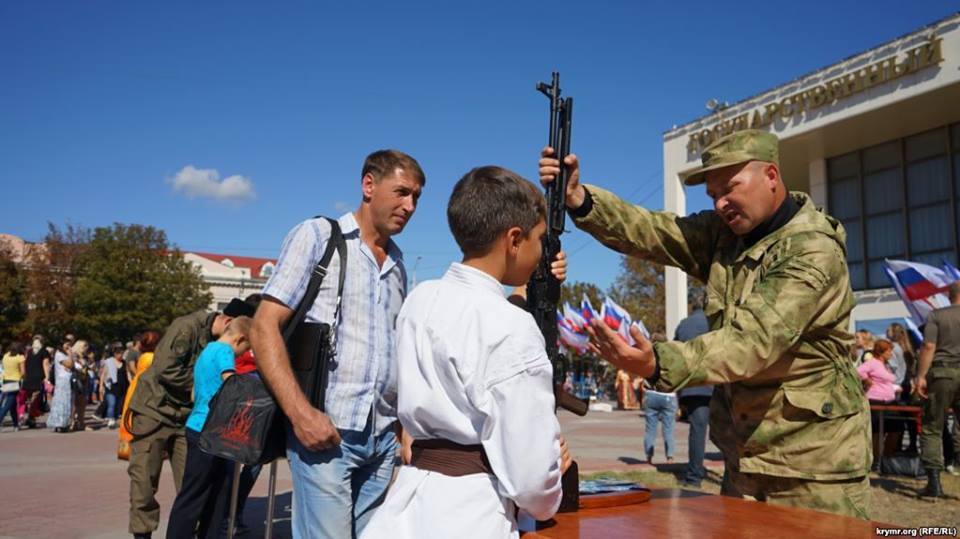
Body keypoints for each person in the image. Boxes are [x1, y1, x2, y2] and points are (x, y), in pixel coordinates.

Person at [540, 129, 871, 518]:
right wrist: (580, 200)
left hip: (814, 470)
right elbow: (654, 231)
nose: (720, 203)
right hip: (745, 458)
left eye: (729, 187)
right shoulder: (725, 236)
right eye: (713, 194)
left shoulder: (812, 249)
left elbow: (750, 342)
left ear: (771, 176)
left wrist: (656, 364)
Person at [361, 165, 570, 539]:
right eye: (540, 239)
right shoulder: (511, 326)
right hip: (473, 512)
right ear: (514, 239)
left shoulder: (420, 299)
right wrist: (550, 483)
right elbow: (531, 479)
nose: (542, 252)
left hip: (408, 502)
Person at [252, 149, 425, 538]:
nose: (409, 206)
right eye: (401, 192)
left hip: (382, 440)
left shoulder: (398, 265)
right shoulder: (319, 237)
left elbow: (394, 351)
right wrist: (301, 416)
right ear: (368, 185)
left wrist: (404, 426)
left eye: (416, 197)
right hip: (327, 433)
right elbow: (263, 327)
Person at [126, 298, 255, 539]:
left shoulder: (216, 344)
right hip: (154, 410)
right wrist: (205, 384)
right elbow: (166, 369)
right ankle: (142, 534)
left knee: (192, 484)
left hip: (187, 417)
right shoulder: (187, 327)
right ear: (229, 323)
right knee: (144, 481)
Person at [166, 316, 252, 539]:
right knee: (210, 494)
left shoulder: (206, 351)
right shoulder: (225, 352)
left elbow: (194, 393)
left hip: (197, 425)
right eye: (244, 349)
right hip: (213, 430)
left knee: (202, 491)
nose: (241, 355)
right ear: (239, 339)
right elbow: (230, 382)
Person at [915, 281, 960, 498]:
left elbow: (929, 346)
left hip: (943, 374)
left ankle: (934, 484)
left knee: (933, 427)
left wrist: (921, 376)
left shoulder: (937, 315)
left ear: (950, 295)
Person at [674, 293, 712, 488]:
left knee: (697, 432)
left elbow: (675, 356)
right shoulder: (713, 322)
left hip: (693, 387)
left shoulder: (684, 325)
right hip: (716, 383)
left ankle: (694, 476)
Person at [857, 339, 903, 470]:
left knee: (896, 429)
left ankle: (886, 459)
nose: (891, 353)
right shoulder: (872, 363)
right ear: (881, 351)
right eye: (889, 351)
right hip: (875, 400)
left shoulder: (886, 365)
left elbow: (886, 381)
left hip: (889, 400)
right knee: (876, 432)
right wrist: (867, 380)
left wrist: (894, 387)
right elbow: (858, 371)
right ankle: (876, 461)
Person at [118, 331, 160, 459]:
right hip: (145, 387)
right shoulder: (152, 358)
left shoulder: (143, 356)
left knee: (129, 416)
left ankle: (126, 448)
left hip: (136, 385)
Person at [18, 336, 49, 428]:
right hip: (38, 377)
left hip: (28, 377)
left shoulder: (28, 352)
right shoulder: (44, 351)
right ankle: (31, 418)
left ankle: (27, 418)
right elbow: (45, 364)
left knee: (28, 399)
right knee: (35, 399)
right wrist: (47, 377)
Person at [47, 341, 75, 433]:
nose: (68, 347)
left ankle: (62, 423)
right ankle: (60, 424)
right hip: (62, 381)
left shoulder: (63, 354)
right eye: (66, 344)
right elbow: (70, 365)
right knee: (62, 402)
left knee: (65, 402)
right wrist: (70, 355)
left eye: (70, 345)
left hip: (65, 381)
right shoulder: (59, 354)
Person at [100, 345, 129, 428]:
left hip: (122, 387)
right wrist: (101, 386)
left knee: (118, 404)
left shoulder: (124, 362)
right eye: (119, 354)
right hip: (111, 387)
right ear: (115, 354)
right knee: (111, 403)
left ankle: (115, 418)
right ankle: (111, 419)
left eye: (122, 354)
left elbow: (127, 374)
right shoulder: (109, 362)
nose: (120, 356)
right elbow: (103, 374)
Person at [1, 342, 26, 431]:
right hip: (15, 381)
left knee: (13, 405)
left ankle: (16, 424)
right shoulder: (20, 358)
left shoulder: (5, 356)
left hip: (6, 380)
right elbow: (23, 372)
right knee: (8, 404)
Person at [70, 340, 92, 432]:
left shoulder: (86, 357)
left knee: (82, 403)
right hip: (76, 380)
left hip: (84, 380)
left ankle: (81, 423)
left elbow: (89, 366)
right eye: (85, 346)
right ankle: (72, 422)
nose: (87, 348)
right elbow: (74, 366)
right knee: (74, 403)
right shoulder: (74, 355)